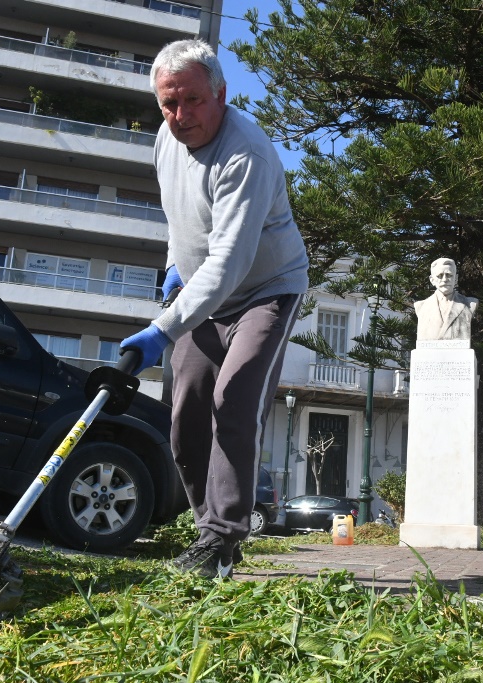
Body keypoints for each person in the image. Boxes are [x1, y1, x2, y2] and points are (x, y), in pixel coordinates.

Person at [120, 39, 309, 579]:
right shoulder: (165, 138)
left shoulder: (244, 152)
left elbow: (229, 262)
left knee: (233, 398)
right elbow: (179, 216)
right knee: (185, 414)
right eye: (168, 104)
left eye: (194, 101)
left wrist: (163, 328)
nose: (181, 116)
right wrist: (173, 265)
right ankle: (209, 529)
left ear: (221, 94)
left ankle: (222, 536)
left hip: (265, 290)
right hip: (202, 291)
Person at [413, 258, 478, 343]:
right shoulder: (421, 306)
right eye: (440, 276)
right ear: (432, 280)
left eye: (449, 275)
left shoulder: (470, 304)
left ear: (456, 278)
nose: (444, 279)